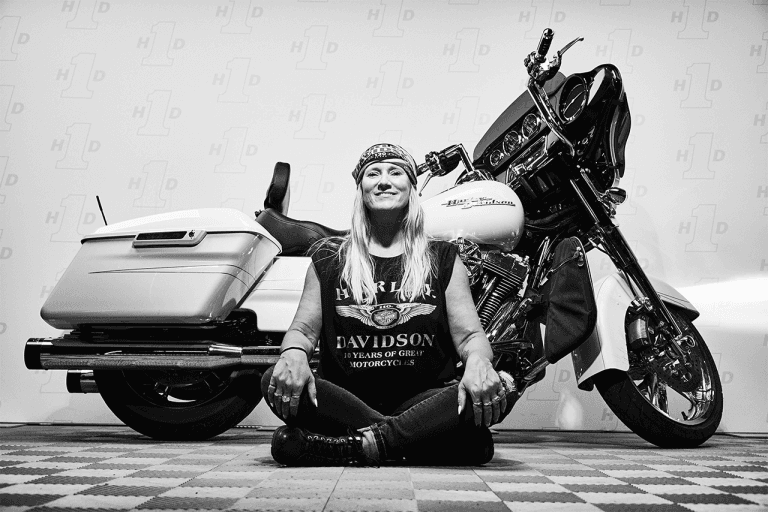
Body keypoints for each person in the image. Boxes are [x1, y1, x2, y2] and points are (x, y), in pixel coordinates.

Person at [260, 143, 518, 466]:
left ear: (411, 187)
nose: (384, 181)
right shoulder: (328, 258)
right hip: (348, 401)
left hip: (424, 400)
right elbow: (302, 331)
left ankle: (357, 445)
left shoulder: (443, 257)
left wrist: (479, 362)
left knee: (504, 385)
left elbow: (470, 337)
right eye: (373, 174)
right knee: (271, 378)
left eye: (395, 172)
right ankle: (419, 438)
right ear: (361, 189)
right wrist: (294, 355)